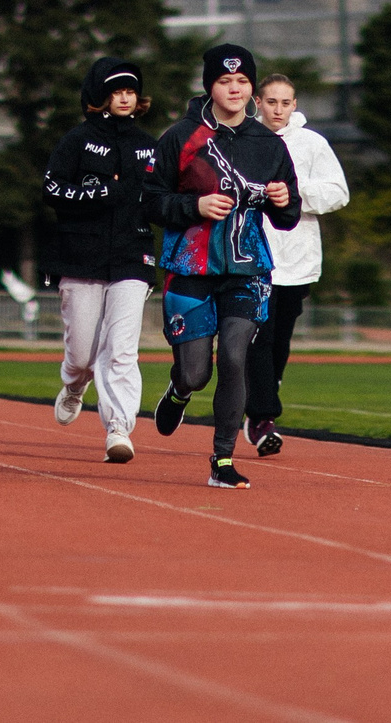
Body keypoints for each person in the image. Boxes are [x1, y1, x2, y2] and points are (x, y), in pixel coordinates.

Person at [143, 43, 298, 488]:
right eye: (225, 81)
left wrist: (284, 203)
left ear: (252, 88)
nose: (234, 89)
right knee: (196, 371)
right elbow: (151, 201)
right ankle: (179, 390)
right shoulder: (180, 137)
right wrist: (195, 205)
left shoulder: (268, 143)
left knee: (234, 355)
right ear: (209, 85)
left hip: (248, 270)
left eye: (243, 81)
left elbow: (286, 214)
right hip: (189, 267)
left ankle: (223, 461)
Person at [43, 58, 156, 463]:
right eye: (116, 90)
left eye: (130, 90)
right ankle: (74, 385)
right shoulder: (76, 140)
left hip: (132, 257)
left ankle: (119, 429)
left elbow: (161, 200)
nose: (124, 97)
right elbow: (53, 189)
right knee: (82, 354)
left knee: (122, 348)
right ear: (99, 96)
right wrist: (104, 193)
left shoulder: (149, 144)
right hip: (80, 257)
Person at [244, 74, 349, 457]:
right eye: (271, 101)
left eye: (285, 103)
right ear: (258, 101)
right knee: (261, 335)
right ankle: (262, 418)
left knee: (280, 341)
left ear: (294, 105)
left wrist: (295, 190)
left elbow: (339, 193)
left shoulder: (312, 144)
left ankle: (264, 398)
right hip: (252, 257)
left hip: (298, 260)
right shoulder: (243, 138)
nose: (277, 110)